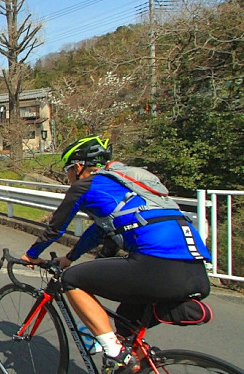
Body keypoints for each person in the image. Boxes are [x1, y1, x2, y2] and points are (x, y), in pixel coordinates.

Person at [21, 136, 211, 373]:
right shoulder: (127, 185)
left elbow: (56, 228)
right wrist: (70, 257)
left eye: (68, 170)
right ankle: (139, 363)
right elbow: (100, 228)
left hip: (156, 264)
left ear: (78, 166)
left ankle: (114, 352)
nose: (68, 176)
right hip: (196, 270)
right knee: (125, 324)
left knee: (71, 280)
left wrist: (31, 255)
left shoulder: (85, 185)